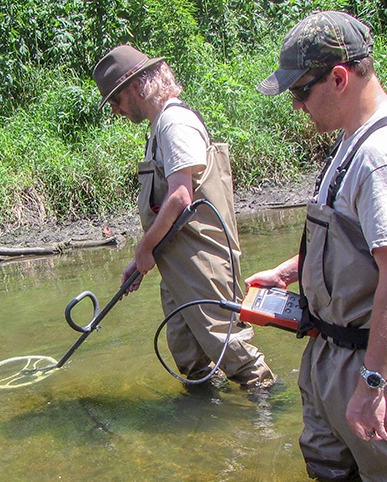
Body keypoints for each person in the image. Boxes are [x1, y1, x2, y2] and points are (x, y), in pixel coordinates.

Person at [246, 11, 387, 482]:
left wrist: (371, 386)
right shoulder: (352, 139)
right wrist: (290, 272)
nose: (296, 106)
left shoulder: (385, 155)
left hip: (377, 365)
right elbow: (358, 239)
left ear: (339, 78)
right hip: (333, 352)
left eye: (300, 92)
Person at [91, 45, 275, 390]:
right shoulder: (158, 127)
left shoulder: (175, 123)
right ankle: (206, 418)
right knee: (188, 353)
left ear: (135, 87)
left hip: (202, 258)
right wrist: (142, 259)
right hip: (177, 261)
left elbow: (180, 197)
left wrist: (144, 249)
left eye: (115, 99)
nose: (115, 109)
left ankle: (268, 411)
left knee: (230, 348)